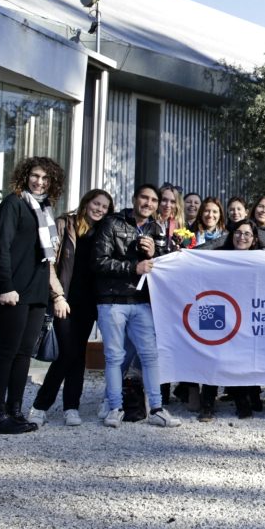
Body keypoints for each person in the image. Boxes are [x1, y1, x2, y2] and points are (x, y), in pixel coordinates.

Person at [0, 157, 65, 434]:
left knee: (23, 354)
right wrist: (6, 286)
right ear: (25, 176)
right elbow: (2, 248)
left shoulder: (44, 209)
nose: (39, 182)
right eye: (35, 176)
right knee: (7, 351)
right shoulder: (14, 203)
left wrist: (53, 294)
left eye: (45, 178)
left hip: (35, 291)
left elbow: (47, 259)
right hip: (13, 290)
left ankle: (14, 411)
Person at [93, 183, 181, 428]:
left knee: (151, 356)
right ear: (134, 199)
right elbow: (99, 262)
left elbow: (164, 267)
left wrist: (156, 252)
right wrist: (133, 267)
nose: (149, 203)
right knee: (114, 357)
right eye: (145, 198)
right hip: (112, 301)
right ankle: (114, 407)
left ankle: (156, 408)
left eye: (154, 200)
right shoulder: (112, 223)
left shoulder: (156, 228)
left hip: (142, 302)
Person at [27, 189, 114, 428]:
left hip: (90, 303)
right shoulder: (65, 224)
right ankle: (40, 406)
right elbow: (50, 263)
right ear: (87, 202)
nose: (100, 209)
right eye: (97, 203)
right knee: (67, 353)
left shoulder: (104, 231)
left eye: (105, 207)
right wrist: (57, 296)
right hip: (65, 300)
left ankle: (71, 407)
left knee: (78, 354)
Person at [198, 219, 262, 422]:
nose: (241, 237)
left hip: (243, 312)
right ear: (231, 234)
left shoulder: (260, 259)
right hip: (214, 308)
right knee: (212, 355)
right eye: (238, 232)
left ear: (253, 240)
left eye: (247, 234)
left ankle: (242, 399)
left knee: (239, 357)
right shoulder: (218, 256)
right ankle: (207, 403)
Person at [157, 184, 186, 252]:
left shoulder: (179, 225)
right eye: (164, 200)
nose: (168, 205)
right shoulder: (149, 221)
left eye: (173, 202)